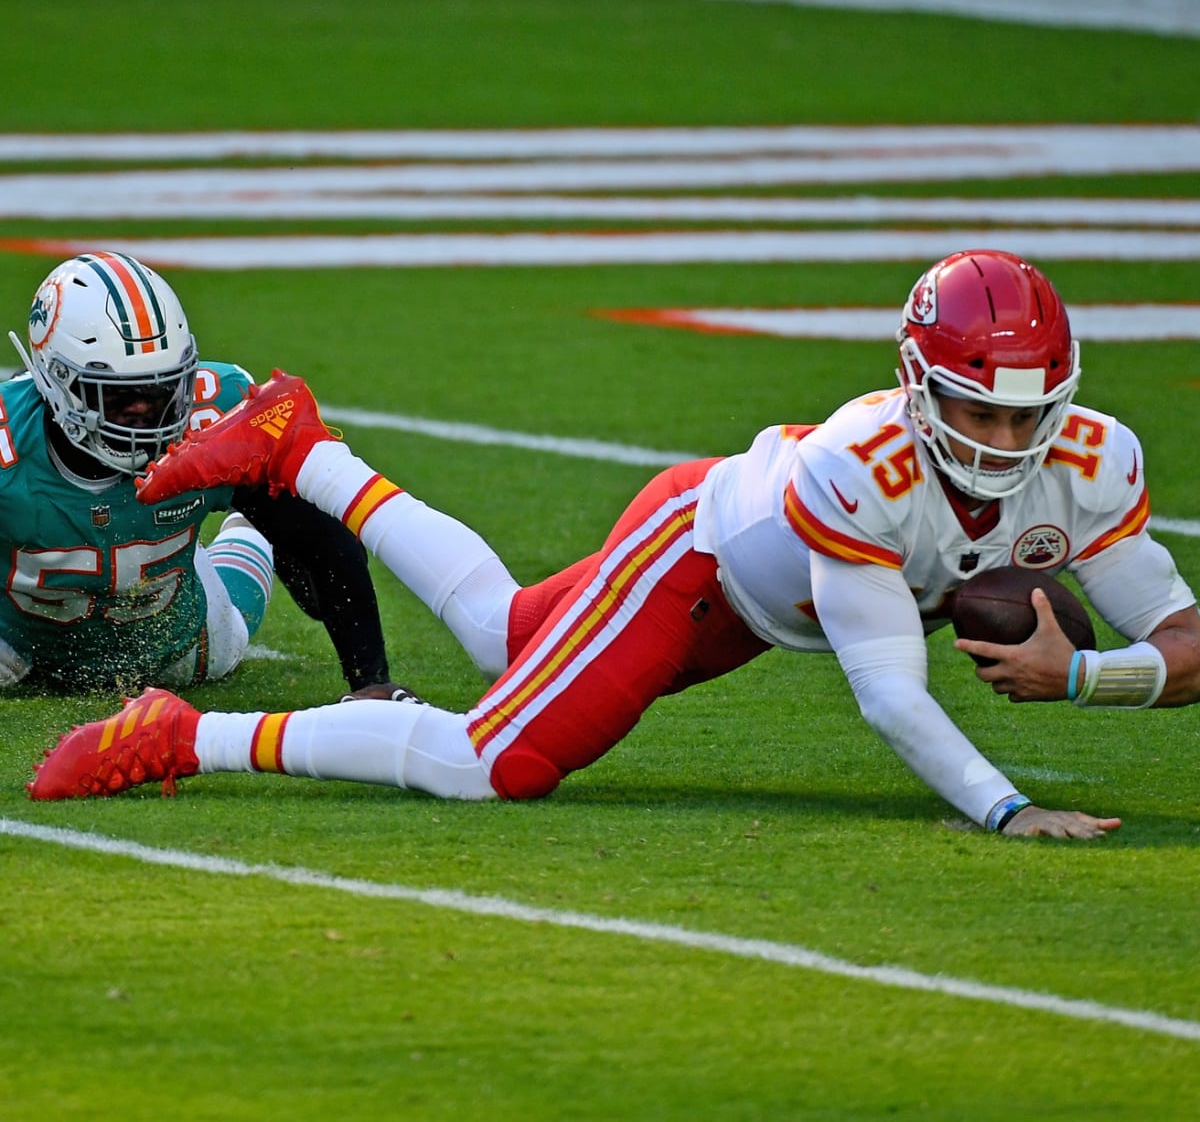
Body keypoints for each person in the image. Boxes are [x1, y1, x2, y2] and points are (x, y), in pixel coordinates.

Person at [27, 250, 1200, 839]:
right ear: (916, 385)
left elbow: (1187, 641)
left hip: (746, 597)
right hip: (699, 561)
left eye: (1024, 414)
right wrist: (1006, 807)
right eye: (975, 409)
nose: (1002, 441)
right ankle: (187, 738)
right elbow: (890, 695)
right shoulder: (870, 469)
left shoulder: (1093, 462)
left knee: (502, 631)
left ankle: (303, 453)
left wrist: (1085, 678)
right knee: (499, 761)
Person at [1, 251, 404, 697]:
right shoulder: (9, 441)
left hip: (174, 644)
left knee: (228, 637)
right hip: (17, 644)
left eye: (159, 391)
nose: (143, 414)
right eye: (117, 397)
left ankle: (248, 526)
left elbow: (324, 542)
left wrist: (371, 682)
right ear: (55, 382)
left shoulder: (215, 415)